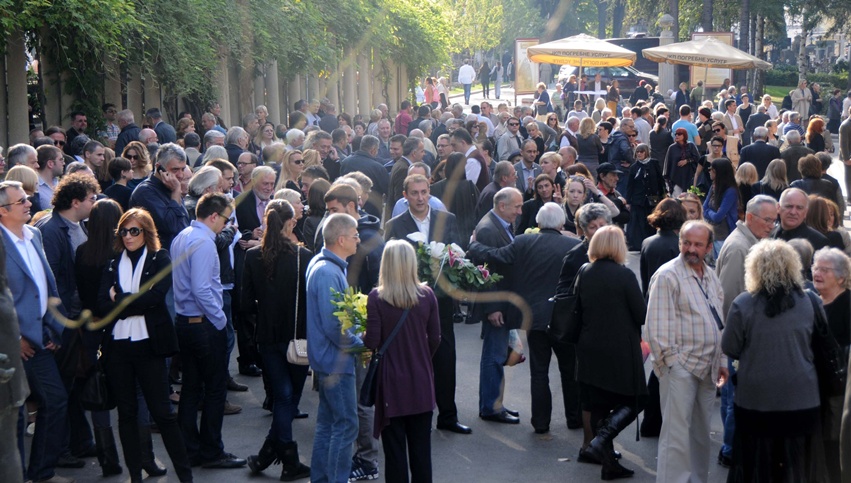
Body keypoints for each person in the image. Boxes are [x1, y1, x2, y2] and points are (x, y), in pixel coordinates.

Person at [97, 208, 194, 483]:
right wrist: (130, 302)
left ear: (146, 232)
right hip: (118, 348)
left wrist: (121, 300)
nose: (128, 236)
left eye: (134, 231)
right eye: (124, 231)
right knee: (126, 414)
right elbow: (102, 304)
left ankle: (185, 475)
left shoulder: (160, 258)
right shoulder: (113, 260)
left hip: (150, 346)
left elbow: (155, 299)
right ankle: (135, 476)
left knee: (163, 413)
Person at [722, 239, 824, 481]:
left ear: (754, 268)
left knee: (756, 464)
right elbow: (820, 343)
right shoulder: (811, 301)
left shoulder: (743, 304)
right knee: (797, 465)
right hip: (802, 397)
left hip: (756, 399)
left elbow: (730, 347)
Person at [1, 180, 75, 483]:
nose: (30, 204)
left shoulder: (33, 234)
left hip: (40, 337)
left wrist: (50, 328)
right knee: (16, 413)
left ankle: (41, 472)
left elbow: (45, 282)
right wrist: (14, 339)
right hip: (14, 344)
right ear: (3, 211)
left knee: (54, 400)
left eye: (28, 198)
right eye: (21, 202)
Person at [384, 174, 469, 435]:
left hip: (441, 303)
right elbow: (389, 262)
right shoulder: (395, 225)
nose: (420, 198)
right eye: (415, 193)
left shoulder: (448, 219)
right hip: (407, 303)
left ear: (429, 192)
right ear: (405, 195)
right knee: (410, 360)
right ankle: (412, 415)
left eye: (424, 192)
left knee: (445, 357)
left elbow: (458, 254)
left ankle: (448, 415)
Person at [645, 220, 729, 483]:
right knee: (676, 436)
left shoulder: (711, 275)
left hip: (708, 366)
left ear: (708, 248)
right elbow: (656, 329)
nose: (691, 249)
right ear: (680, 242)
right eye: (686, 242)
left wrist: (723, 360)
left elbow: (720, 322)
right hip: (680, 368)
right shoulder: (667, 275)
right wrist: (672, 365)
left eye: (698, 244)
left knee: (701, 434)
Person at [170, 193, 246, 469]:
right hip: (202, 324)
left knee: (192, 388)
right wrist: (220, 320)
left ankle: (190, 450)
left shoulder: (184, 236)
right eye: (225, 219)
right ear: (214, 216)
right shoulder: (203, 242)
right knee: (213, 390)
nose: (226, 225)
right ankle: (211, 451)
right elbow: (202, 288)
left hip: (187, 322)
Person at [242, 200, 313, 481]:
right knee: (289, 398)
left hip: (267, 337)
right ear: (290, 223)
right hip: (298, 335)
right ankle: (288, 459)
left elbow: (245, 304)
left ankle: (267, 454)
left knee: (283, 397)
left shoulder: (253, 257)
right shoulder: (303, 256)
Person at [363, 240, 440, 482]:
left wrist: (360, 334)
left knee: (394, 453)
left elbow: (372, 341)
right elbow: (436, 338)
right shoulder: (427, 295)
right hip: (421, 381)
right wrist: (421, 355)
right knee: (421, 452)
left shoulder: (376, 297)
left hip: (391, 385)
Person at [574, 226, 648, 480]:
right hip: (620, 349)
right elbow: (640, 314)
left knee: (599, 405)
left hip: (590, 346)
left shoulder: (585, 271)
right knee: (635, 399)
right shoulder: (624, 275)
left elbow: (577, 309)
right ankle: (602, 442)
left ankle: (607, 462)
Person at [307, 213, 363, 482]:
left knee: (328, 425)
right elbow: (334, 325)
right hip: (335, 362)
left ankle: (322, 479)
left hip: (327, 361)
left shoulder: (325, 264)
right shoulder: (329, 271)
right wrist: (358, 344)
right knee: (346, 425)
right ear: (341, 240)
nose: (358, 240)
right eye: (355, 236)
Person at [555, 203, 612, 442]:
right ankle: (586, 435)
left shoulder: (613, 252)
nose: (598, 230)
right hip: (584, 331)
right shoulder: (576, 255)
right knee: (584, 384)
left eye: (602, 225)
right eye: (593, 227)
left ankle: (598, 437)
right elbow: (563, 294)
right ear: (583, 230)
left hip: (607, 329)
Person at [471, 188, 523, 425]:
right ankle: (491, 407)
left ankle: (494, 404)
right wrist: (492, 307)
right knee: (494, 356)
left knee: (497, 355)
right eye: (517, 206)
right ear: (502, 206)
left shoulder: (497, 224)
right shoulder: (488, 229)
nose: (519, 211)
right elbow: (485, 273)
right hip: (497, 306)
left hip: (502, 304)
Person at [625, 144, 666, 250]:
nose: (639, 154)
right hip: (638, 200)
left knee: (652, 222)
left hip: (653, 199)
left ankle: (652, 244)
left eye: (642, 151)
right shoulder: (634, 167)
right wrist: (628, 201)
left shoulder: (654, 163)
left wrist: (663, 194)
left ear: (646, 152)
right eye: (637, 151)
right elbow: (630, 185)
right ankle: (641, 245)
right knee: (640, 224)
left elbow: (660, 180)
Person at [772, 187, 830, 252]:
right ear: (778, 208)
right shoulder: (768, 234)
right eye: (789, 206)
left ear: (806, 212)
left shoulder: (818, 241)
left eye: (799, 208)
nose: (793, 212)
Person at [702, 158, 740, 256]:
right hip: (712, 233)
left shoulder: (730, 191)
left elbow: (718, 217)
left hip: (725, 234)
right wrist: (711, 212)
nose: (709, 171)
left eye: (712, 170)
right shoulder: (713, 187)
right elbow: (704, 209)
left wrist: (709, 212)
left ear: (719, 173)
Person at [663, 128, 700, 196]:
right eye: (676, 134)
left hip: (689, 176)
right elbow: (668, 163)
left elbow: (697, 159)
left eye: (679, 134)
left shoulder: (691, 146)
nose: (677, 136)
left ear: (684, 135)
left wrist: (687, 161)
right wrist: (667, 180)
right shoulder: (672, 148)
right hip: (676, 177)